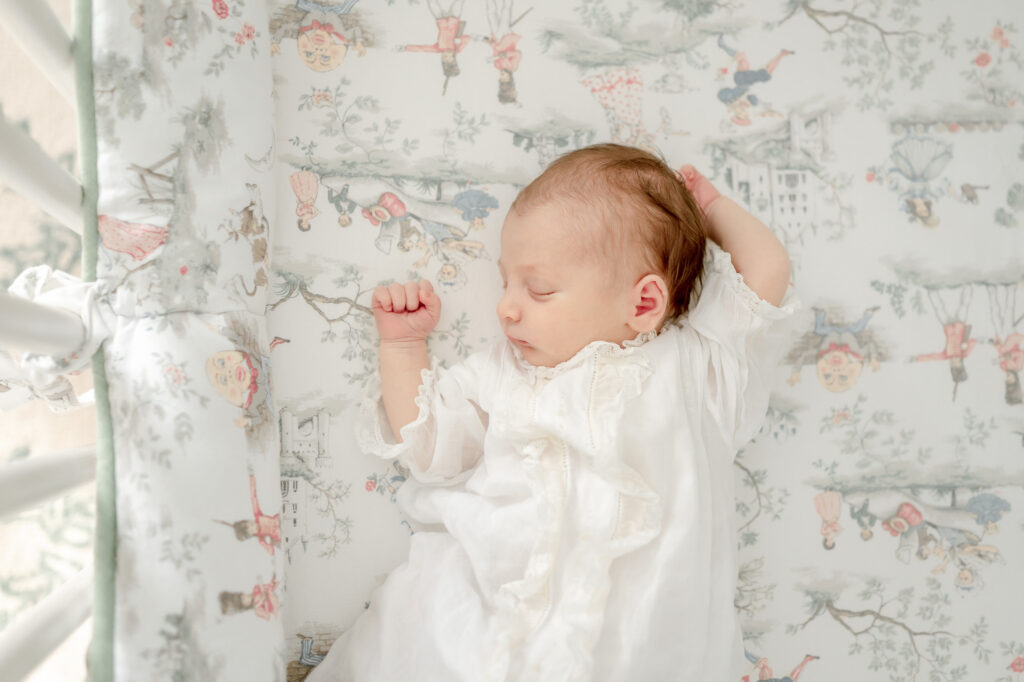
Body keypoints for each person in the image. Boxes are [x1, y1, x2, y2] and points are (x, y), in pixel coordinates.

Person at [308, 144, 795, 681]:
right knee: (429, 639)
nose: (505, 307)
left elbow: (766, 273)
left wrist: (710, 209)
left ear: (642, 304)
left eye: (538, 289)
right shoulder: (504, 372)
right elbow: (429, 450)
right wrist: (401, 350)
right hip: (498, 621)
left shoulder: (696, 370)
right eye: (505, 281)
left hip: (644, 651)